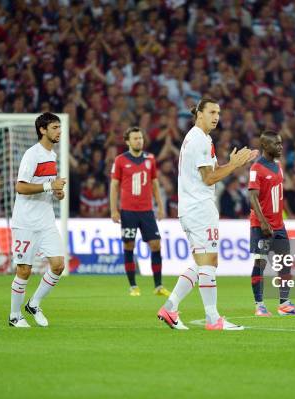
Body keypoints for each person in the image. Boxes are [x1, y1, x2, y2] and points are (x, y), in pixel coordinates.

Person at [157, 98, 257, 330]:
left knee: (203, 261)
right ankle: (213, 319)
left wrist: (232, 164)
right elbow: (209, 178)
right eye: (211, 112)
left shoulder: (201, 138)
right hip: (198, 208)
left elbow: (211, 173)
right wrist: (233, 166)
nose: (216, 116)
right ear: (199, 114)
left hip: (194, 207)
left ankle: (170, 308)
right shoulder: (199, 139)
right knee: (209, 261)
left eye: (218, 113)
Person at [8, 112, 67, 328]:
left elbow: (49, 186)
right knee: (24, 270)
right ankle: (14, 315)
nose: (59, 131)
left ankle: (34, 303)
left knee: (58, 265)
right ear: (42, 130)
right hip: (25, 222)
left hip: (46, 220)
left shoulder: (52, 156)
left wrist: (57, 192)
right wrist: (49, 186)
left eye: (59, 127)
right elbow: (20, 186)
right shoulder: (32, 154)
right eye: (54, 127)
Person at [248, 130, 295, 317]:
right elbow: (252, 197)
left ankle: (284, 304)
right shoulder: (256, 168)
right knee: (260, 263)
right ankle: (259, 305)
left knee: (285, 263)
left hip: (279, 225)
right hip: (261, 225)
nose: (280, 147)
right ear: (265, 146)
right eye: (276, 144)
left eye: (281, 143)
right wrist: (264, 223)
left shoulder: (278, 165)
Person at [110, 127, 170, 297]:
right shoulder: (120, 160)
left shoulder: (150, 159)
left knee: (156, 244)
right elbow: (114, 186)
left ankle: (158, 286)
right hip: (128, 211)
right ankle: (133, 286)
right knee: (128, 245)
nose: (139, 141)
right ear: (128, 141)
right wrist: (114, 210)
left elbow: (155, 183)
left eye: (141, 138)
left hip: (147, 211)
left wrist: (160, 205)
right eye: (135, 138)